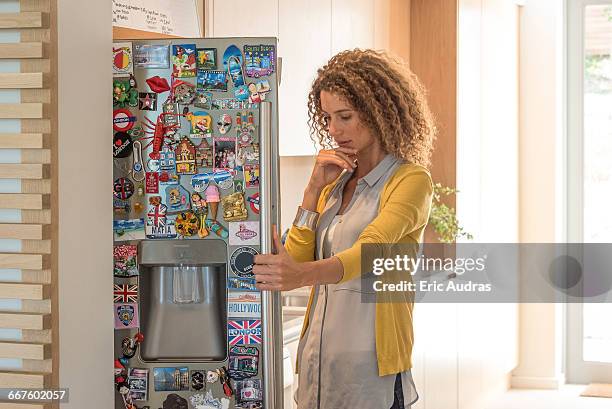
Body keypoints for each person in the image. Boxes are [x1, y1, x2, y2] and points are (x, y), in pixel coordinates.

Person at [253, 49, 436, 409]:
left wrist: (301, 274)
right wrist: (311, 192)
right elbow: (299, 255)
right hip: (318, 368)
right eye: (327, 118)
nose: (334, 130)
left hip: (370, 374)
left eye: (345, 116)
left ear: (378, 112)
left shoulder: (411, 181)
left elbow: (371, 249)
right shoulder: (336, 184)